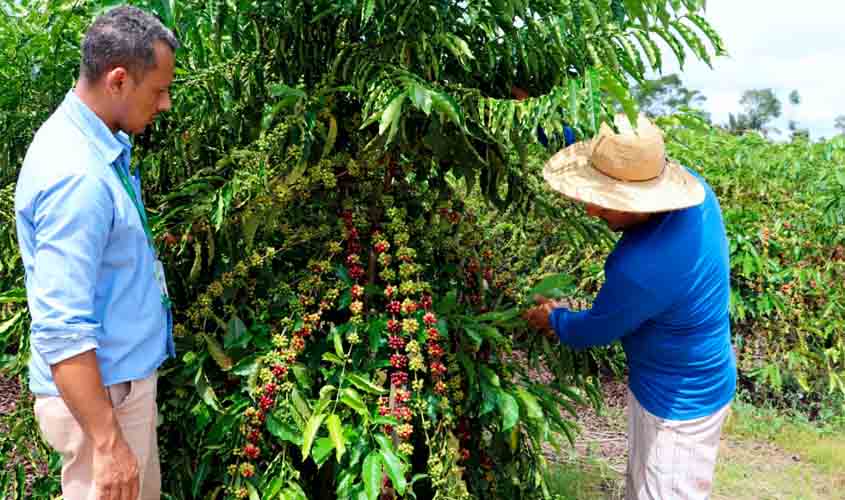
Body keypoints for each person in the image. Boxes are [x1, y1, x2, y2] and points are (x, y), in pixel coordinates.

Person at [524, 114, 736, 499]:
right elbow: (618, 158)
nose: (592, 211)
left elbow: (595, 330)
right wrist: (540, 116)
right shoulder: (694, 192)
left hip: (679, 406)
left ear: (640, 202)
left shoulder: (644, 268)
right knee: (641, 485)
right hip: (674, 381)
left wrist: (553, 318)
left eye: (605, 204)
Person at [14, 6, 178, 499]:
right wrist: (107, 442)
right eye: (158, 90)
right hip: (104, 405)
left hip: (114, 393)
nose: (166, 104)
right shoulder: (76, 176)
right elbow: (62, 328)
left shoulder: (96, 145)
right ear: (120, 80)